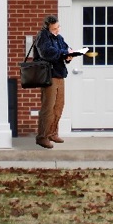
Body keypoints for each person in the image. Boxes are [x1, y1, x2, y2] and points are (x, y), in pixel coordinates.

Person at [35, 15, 72, 149]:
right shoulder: (43, 37)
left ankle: (52, 133)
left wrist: (69, 55)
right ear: (47, 28)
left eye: (58, 27)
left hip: (60, 74)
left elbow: (66, 48)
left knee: (59, 106)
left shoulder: (59, 38)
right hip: (48, 76)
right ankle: (42, 137)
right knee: (48, 108)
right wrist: (64, 53)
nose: (57, 30)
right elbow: (48, 53)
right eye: (54, 28)